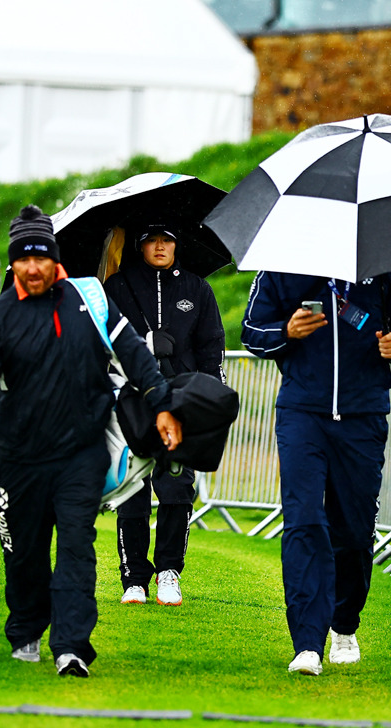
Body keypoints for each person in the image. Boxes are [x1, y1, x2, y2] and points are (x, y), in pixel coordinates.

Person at [0, 205, 183, 678]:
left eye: (41, 258)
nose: (32, 268)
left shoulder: (89, 300)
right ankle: (26, 630)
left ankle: (72, 646)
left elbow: (135, 356)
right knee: (25, 552)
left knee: (77, 546)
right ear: (13, 263)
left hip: (82, 452)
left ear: (54, 259)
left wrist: (161, 403)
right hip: (20, 457)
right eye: (23, 259)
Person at [241, 271, 391, 676]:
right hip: (302, 412)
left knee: (354, 532)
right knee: (303, 521)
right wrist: (286, 332)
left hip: (364, 414)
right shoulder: (281, 261)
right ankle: (307, 643)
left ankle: (344, 626)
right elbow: (251, 331)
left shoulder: (385, 263)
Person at [103, 223, 225, 607]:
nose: (160, 246)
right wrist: (143, 344)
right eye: (152, 240)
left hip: (181, 400)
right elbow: (102, 340)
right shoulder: (117, 286)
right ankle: (134, 578)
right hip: (131, 398)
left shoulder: (197, 288)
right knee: (133, 488)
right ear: (140, 246)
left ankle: (169, 572)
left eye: (167, 239)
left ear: (176, 244)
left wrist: (209, 399)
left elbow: (211, 347)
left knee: (176, 485)